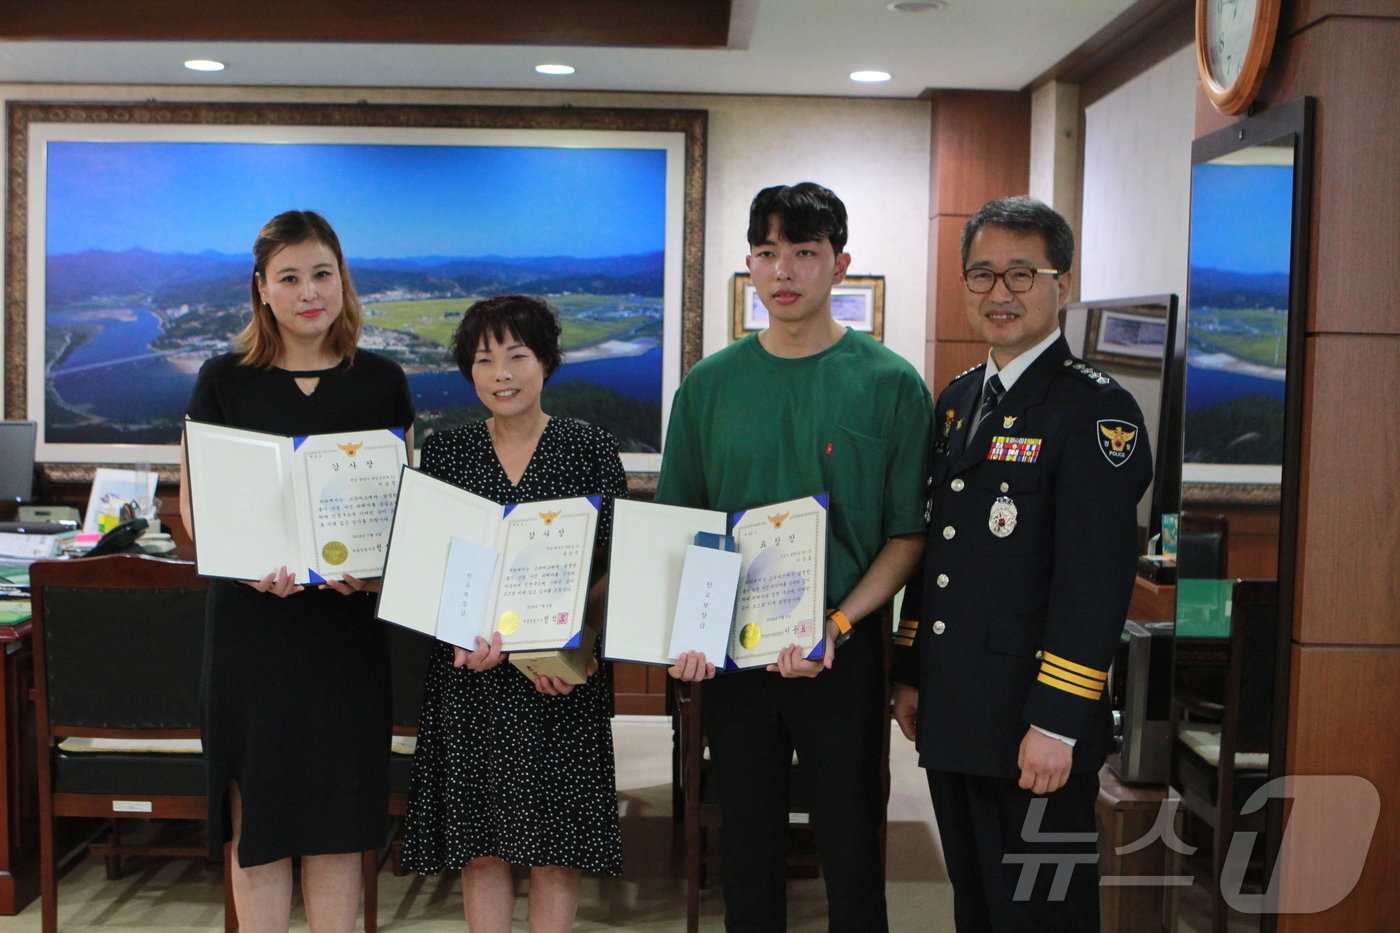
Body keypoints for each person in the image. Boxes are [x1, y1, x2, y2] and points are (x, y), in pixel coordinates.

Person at [659, 182, 934, 932]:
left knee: (851, 844)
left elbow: (907, 533)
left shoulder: (891, 384)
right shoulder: (708, 387)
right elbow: (683, 526)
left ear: (839, 264)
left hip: (842, 647)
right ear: (750, 263)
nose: (784, 271)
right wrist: (691, 632)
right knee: (747, 847)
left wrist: (840, 621)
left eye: (804, 253)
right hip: (736, 655)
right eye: (768, 253)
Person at [891, 196, 1152, 933]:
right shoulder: (959, 399)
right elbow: (942, 551)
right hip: (957, 712)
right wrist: (912, 669)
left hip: (1034, 725)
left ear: (1060, 285)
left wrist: (1061, 722)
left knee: (1046, 913)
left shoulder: (1095, 410)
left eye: (1020, 274)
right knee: (978, 905)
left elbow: (1095, 581)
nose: (999, 293)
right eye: (982, 275)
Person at [179, 210, 416, 933]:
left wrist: (376, 572)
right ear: (262, 289)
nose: (309, 291)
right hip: (253, 637)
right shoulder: (223, 380)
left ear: (343, 280)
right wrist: (249, 562)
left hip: (343, 637)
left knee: (342, 822)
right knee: (261, 825)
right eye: (290, 277)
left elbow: (405, 504)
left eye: (323, 273)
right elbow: (194, 502)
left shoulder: (381, 380)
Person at [399, 295, 627, 933]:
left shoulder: (587, 448)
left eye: (517, 355)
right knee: (483, 844)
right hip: (472, 676)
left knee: (557, 848)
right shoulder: (447, 453)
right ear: (469, 373)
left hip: (560, 682)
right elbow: (433, 570)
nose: (502, 372)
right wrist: (460, 635)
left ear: (546, 362)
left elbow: (613, 568)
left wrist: (571, 654)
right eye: (484, 359)